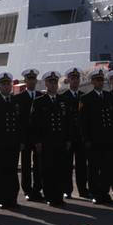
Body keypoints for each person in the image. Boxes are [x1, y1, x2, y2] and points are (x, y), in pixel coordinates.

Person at [30, 71, 73, 207]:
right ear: (46, 84)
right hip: (46, 142)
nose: (53, 84)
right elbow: (34, 124)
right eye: (51, 82)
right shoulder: (39, 102)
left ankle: (59, 196)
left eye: (55, 82)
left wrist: (68, 139)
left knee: (60, 170)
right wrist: (37, 142)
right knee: (47, 171)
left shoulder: (63, 101)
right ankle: (49, 196)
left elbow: (68, 123)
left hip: (60, 141)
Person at [0, 72, 24, 209]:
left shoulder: (16, 101)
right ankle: (1, 199)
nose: (7, 87)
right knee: (0, 172)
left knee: (12, 173)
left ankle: (12, 199)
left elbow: (21, 124)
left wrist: (21, 141)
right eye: (4, 84)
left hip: (13, 143)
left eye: (8, 84)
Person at [79, 69, 113, 205]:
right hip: (94, 140)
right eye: (97, 80)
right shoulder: (86, 99)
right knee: (94, 168)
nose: (100, 82)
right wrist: (86, 139)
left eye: (101, 80)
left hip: (107, 139)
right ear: (92, 82)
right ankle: (95, 193)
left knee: (107, 168)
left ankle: (105, 193)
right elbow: (83, 122)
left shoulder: (108, 96)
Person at [59, 67, 89, 199]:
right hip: (68, 138)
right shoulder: (63, 97)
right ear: (68, 80)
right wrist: (65, 138)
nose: (75, 81)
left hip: (81, 136)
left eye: (77, 78)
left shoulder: (84, 97)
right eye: (73, 78)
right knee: (66, 165)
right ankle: (67, 189)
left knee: (82, 165)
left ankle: (83, 190)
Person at [15, 68, 43, 201]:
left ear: (36, 81)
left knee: (38, 165)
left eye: (33, 79)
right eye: (29, 79)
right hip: (25, 138)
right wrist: (20, 139)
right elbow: (18, 121)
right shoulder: (18, 98)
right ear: (25, 81)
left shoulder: (41, 97)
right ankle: (27, 189)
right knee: (26, 165)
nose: (31, 81)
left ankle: (38, 189)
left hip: (38, 137)